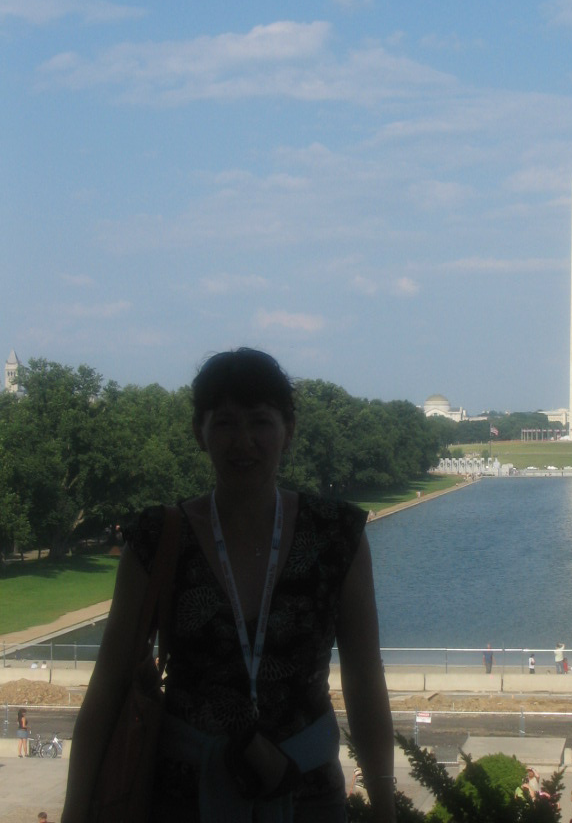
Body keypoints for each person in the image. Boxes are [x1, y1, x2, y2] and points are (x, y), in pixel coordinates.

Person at [62, 348, 395, 823]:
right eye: (225, 423)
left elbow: (364, 679)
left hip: (306, 795)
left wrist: (384, 799)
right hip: (183, 797)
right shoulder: (159, 539)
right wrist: (75, 811)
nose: (244, 442)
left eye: (260, 422)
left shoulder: (336, 537)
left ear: (288, 431)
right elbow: (109, 685)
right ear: (200, 433)